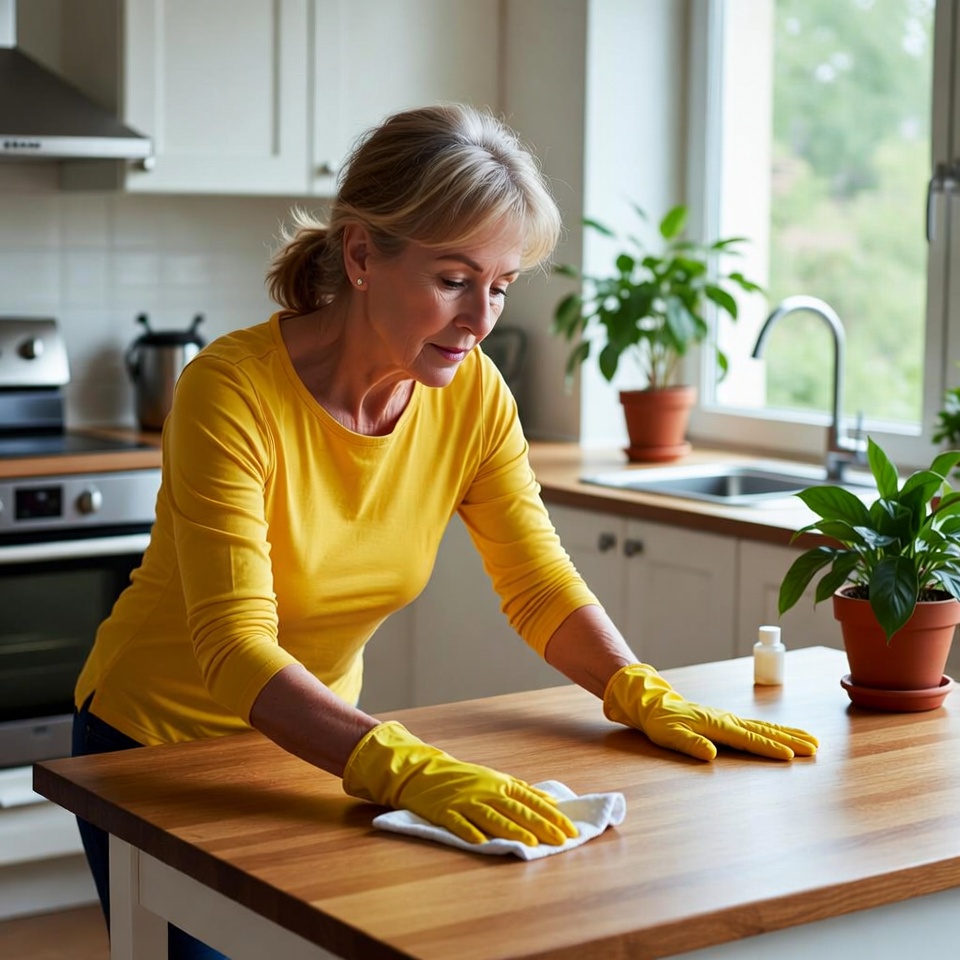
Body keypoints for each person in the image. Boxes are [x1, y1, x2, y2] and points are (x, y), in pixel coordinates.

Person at [72, 103, 818, 960]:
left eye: (499, 287)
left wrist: (632, 687)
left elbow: (535, 583)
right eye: (454, 279)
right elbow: (235, 645)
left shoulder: (473, 396)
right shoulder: (230, 392)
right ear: (360, 255)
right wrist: (405, 765)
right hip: (156, 749)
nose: (481, 319)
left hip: (312, 742)